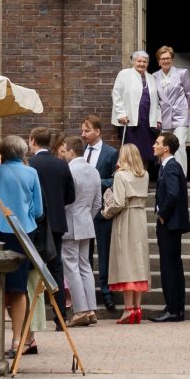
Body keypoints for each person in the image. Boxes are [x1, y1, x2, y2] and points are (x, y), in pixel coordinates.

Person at [0, 134, 45, 358]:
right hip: (24, 232)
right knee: (19, 288)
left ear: (2, 153)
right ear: (23, 152)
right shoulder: (32, 172)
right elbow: (39, 210)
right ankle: (18, 340)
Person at [27, 125, 76, 322]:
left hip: (35, 223)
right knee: (56, 267)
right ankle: (60, 316)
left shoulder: (30, 165)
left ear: (32, 141)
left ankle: (33, 316)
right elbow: (71, 195)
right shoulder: (61, 164)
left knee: (33, 268)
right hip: (56, 222)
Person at [102, 136, 152, 322]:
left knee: (126, 261)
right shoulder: (145, 174)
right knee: (138, 260)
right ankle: (137, 308)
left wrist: (106, 212)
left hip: (125, 218)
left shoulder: (120, 176)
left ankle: (128, 308)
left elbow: (118, 203)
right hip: (140, 216)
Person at [59, 135, 101, 323]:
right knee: (85, 265)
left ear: (72, 151)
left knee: (71, 266)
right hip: (86, 221)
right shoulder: (93, 171)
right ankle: (91, 308)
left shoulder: (68, 170)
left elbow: (65, 200)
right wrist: (87, 218)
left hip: (70, 221)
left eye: (65, 149)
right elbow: (98, 202)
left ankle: (80, 310)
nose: (63, 153)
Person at [151, 131, 190, 321]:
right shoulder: (167, 166)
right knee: (173, 265)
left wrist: (162, 215)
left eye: (157, 143)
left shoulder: (171, 167)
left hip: (170, 224)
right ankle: (177, 309)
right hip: (171, 224)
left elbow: (173, 194)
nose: (153, 145)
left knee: (169, 266)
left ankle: (173, 309)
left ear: (166, 148)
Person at [80, 117, 119, 275]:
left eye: (87, 130)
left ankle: (106, 292)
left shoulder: (111, 153)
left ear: (98, 131)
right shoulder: (80, 152)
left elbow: (116, 179)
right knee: (84, 253)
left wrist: (97, 181)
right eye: (82, 130)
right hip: (83, 209)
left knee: (104, 252)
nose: (83, 134)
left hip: (102, 210)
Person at [149, 43, 190, 156]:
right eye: (163, 59)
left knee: (179, 147)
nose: (166, 61)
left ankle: (180, 173)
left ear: (172, 60)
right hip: (164, 117)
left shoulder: (182, 73)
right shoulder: (154, 76)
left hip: (180, 117)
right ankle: (167, 172)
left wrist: (183, 108)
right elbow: (155, 99)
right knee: (164, 147)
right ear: (159, 61)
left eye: (168, 58)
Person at [110, 48, 154, 164]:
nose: (141, 64)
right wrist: (121, 114)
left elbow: (156, 101)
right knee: (131, 153)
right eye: (139, 61)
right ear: (133, 62)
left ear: (148, 63)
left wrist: (157, 119)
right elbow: (116, 94)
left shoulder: (151, 78)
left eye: (144, 62)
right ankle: (132, 178)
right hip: (130, 121)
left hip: (147, 122)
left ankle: (144, 178)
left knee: (146, 153)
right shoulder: (124, 74)